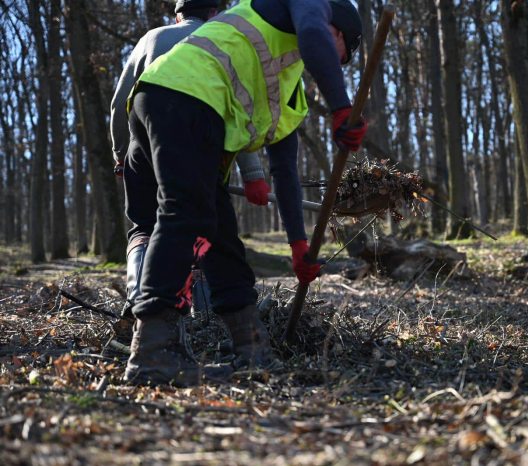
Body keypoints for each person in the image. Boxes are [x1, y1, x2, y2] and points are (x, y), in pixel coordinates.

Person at [123, 0, 368, 386]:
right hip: (184, 94)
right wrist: (341, 106)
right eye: (344, 55)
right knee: (185, 217)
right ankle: (153, 352)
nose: (339, 65)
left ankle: (251, 347)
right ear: (337, 30)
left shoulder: (289, 89)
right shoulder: (308, 7)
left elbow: (284, 173)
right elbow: (313, 34)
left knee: (218, 232)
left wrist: (298, 245)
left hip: (171, 100)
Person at [110, 0, 272, 320]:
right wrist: (253, 173)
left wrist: (120, 154)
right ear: (216, 14)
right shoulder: (223, 40)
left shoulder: (152, 38)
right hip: (199, 146)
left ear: (177, 16)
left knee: (145, 226)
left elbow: (119, 103)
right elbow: (240, 115)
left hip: (144, 142)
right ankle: (204, 313)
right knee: (199, 226)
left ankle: (138, 298)